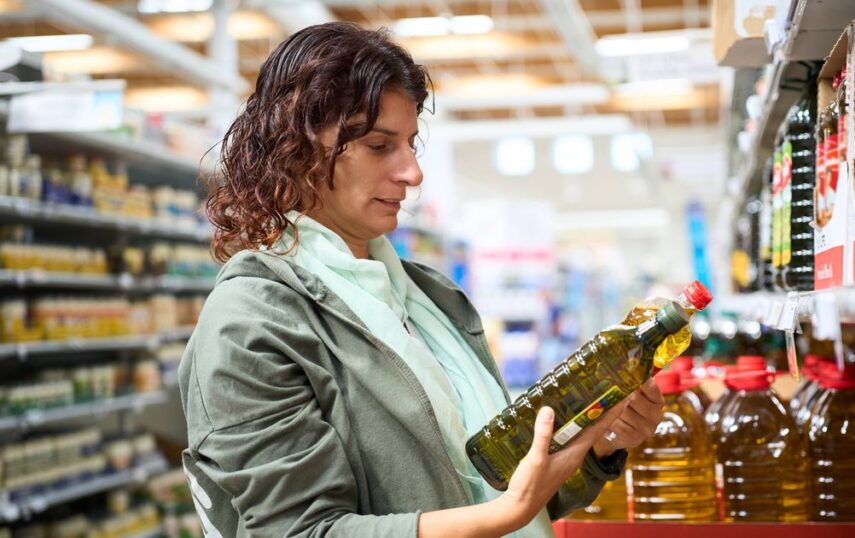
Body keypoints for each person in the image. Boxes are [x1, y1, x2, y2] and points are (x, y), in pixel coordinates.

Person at [179, 22, 665, 537]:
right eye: (378, 145)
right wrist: (508, 513)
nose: (413, 173)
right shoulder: (250, 323)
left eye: (410, 143)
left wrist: (598, 443)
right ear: (295, 149)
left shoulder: (429, 298)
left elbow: (490, 489)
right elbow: (303, 531)